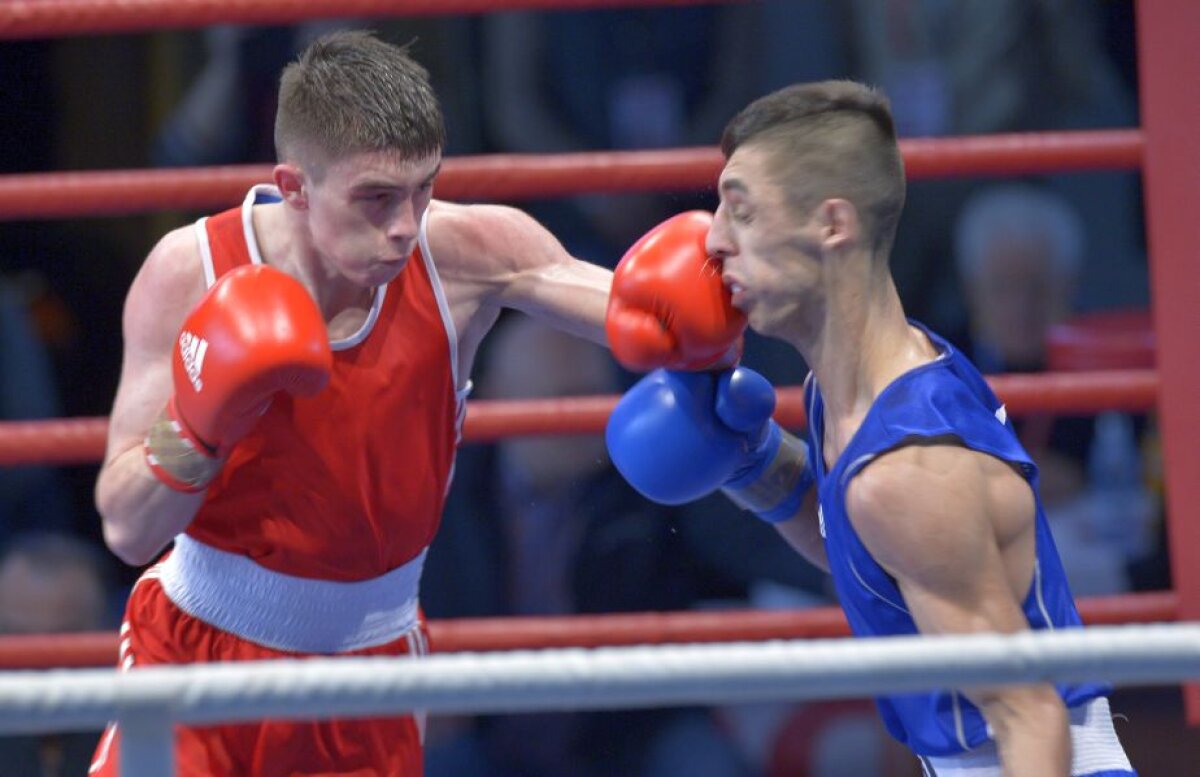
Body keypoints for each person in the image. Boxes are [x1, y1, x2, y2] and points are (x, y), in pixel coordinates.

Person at [89, 29, 741, 777]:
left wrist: (709, 320)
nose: (404, 224)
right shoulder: (192, 270)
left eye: (422, 188)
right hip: (196, 660)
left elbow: (653, 314)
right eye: (374, 198)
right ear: (295, 186)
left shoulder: (463, 253)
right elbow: (126, 525)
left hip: (373, 675)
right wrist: (198, 425)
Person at [604, 81, 1136, 776]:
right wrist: (754, 461)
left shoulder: (907, 472)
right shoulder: (855, 385)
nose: (711, 239)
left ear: (832, 224)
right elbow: (864, 551)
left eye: (741, 210)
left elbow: (1027, 713)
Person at [422, 315, 753, 777]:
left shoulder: (649, 485)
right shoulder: (445, 492)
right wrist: (429, 688)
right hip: (483, 730)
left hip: (628, 730)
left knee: (703, 762)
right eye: (559, 401)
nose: (581, 419)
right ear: (498, 396)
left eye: (594, 398)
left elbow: (735, 563)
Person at [0, 531, 116, 777]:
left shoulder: (147, 723)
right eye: (18, 637)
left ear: (105, 627)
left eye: (63, 639)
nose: (39, 663)